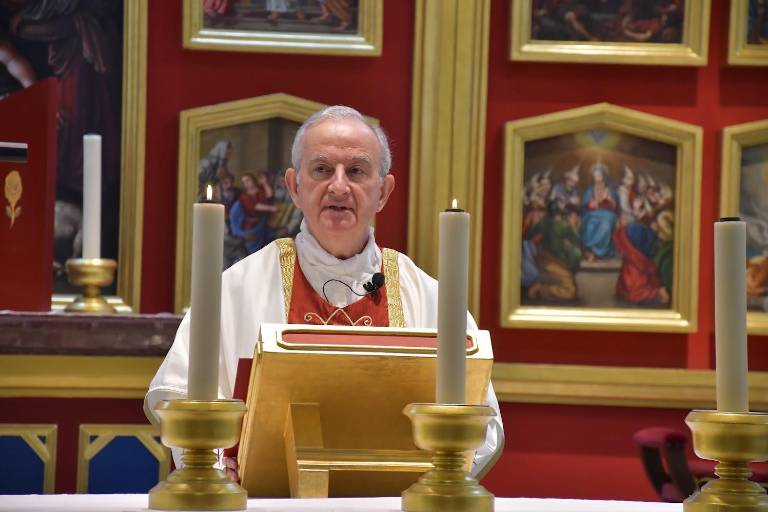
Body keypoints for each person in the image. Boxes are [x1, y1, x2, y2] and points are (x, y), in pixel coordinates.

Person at [145, 105, 503, 479]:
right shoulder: (235, 289)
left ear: (383, 191)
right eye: (321, 169)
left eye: (357, 171)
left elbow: (482, 423)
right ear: (293, 187)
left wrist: (438, 473)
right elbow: (177, 394)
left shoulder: (430, 298)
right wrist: (216, 468)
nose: (338, 186)